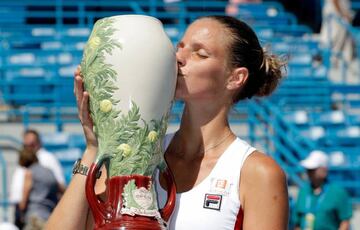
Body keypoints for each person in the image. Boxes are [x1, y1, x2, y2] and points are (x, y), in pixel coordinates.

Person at [47, 15, 288, 229]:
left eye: (200, 53)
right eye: (179, 47)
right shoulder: (135, 153)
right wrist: (94, 148)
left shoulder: (256, 173)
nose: (179, 58)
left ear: (235, 78)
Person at [10, 129, 66, 229]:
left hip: (34, 213)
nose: (29, 145)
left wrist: (22, 208)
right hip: (37, 212)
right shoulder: (29, 166)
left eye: (31, 143)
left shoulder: (47, 159)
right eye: (26, 143)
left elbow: (60, 185)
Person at [292, 150, 352, 230]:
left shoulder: (338, 192)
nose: (309, 172)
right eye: (308, 170)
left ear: (324, 170)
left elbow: (345, 222)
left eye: (313, 169)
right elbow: (297, 222)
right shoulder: (303, 192)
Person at [17, 148, 63, 230]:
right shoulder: (49, 171)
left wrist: (20, 211)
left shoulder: (29, 173)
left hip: (34, 217)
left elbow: (24, 200)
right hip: (49, 216)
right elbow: (61, 190)